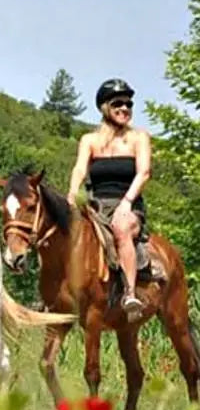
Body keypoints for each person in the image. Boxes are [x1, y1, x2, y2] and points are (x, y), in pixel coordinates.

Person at [67, 78, 151, 320]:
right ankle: (55, 293)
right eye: (118, 103)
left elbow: (144, 172)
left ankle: (130, 293)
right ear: (105, 108)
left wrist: (126, 203)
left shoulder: (139, 138)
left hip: (129, 204)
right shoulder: (89, 141)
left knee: (121, 228)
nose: (125, 108)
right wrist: (73, 191)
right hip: (96, 204)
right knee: (62, 229)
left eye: (128, 104)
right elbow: (80, 169)